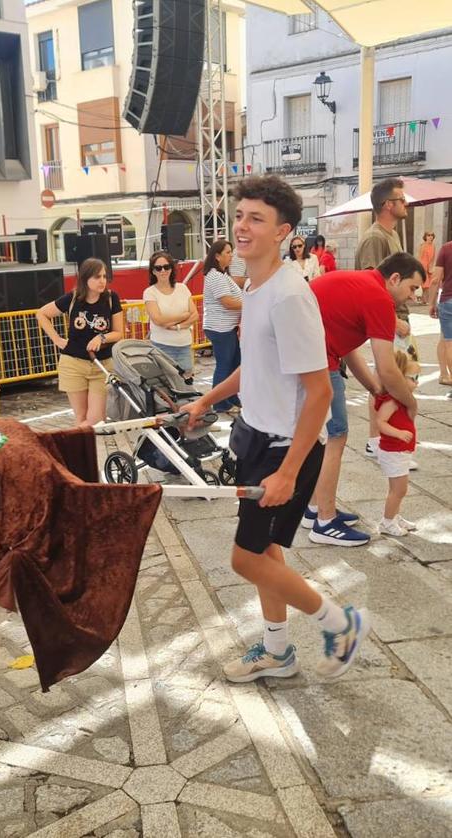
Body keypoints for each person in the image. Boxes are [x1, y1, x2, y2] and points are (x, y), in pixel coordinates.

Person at [184, 175, 369, 683]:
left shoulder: (289, 295)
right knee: (265, 552)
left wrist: (288, 472)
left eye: (256, 219)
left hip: (284, 450)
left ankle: (341, 624)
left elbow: (320, 391)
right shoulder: (254, 287)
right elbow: (257, 366)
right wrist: (206, 399)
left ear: (283, 231)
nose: (242, 227)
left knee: (245, 560)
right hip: (256, 437)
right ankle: (278, 651)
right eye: (240, 216)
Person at [305, 253, 423, 546]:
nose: (413, 296)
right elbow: (388, 367)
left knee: (321, 437)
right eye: (412, 287)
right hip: (316, 361)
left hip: (311, 355)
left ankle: (315, 507)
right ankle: (325, 522)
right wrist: (410, 402)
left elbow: (347, 347)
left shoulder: (362, 284)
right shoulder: (379, 298)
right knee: (336, 436)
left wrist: (374, 388)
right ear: (394, 278)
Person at [355, 177, 416, 458]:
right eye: (401, 199)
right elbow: (370, 285)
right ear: (387, 205)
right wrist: (392, 319)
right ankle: (375, 440)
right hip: (388, 319)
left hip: (397, 317)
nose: (405, 203)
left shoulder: (391, 234)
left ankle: (383, 439)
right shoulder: (375, 238)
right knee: (385, 381)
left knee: (398, 377)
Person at [37, 258, 123, 426]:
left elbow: (119, 333)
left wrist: (101, 337)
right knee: (81, 417)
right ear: (85, 278)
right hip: (73, 363)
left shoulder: (111, 298)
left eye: (104, 276)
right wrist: (57, 339)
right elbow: (42, 314)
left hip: (101, 364)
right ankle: (79, 441)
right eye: (97, 277)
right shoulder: (73, 298)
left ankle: (70, 438)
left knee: (96, 420)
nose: (102, 281)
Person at [375, 350, 419, 536]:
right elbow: (380, 422)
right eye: (413, 378)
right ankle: (387, 522)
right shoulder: (392, 401)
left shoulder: (400, 400)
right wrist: (398, 433)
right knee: (399, 490)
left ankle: (394, 516)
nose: (416, 383)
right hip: (393, 451)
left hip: (399, 451)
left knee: (398, 489)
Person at [142, 250, 198, 382]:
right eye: (158, 268)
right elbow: (158, 320)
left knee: (186, 384)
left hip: (184, 345)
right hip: (162, 346)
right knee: (166, 384)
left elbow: (195, 315)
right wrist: (183, 316)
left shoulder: (182, 288)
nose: (163, 271)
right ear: (153, 271)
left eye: (166, 267)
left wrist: (177, 326)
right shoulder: (150, 292)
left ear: (171, 269)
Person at [202, 240, 242, 414]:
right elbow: (227, 302)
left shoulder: (222, 275)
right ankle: (219, 403)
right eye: (227, 252)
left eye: (231, 252)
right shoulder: (215, 276)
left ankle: (231, 397)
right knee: (224, 365)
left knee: (234, 364)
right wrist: (250, 304)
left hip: (228, 327)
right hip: (220, 328)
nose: (231, 255)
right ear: (217, 256)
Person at [429, 237, 452, 386]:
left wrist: (431, 303)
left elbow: (435, 279)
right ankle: (444, 374)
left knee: (448, 341)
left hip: (448, 301)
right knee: (445, 339)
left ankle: (445, 375)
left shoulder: (446, 248)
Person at [418, 231, 436, 305]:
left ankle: (424, 300)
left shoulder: (433, 246)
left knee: (430, 284)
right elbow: (420, 257)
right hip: (423, 266)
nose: (430, 237)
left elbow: (433, 257)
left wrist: (431, 267)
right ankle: (425, 300)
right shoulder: (423, 245)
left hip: (430, 266)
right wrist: (422, 267)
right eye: (428, 235)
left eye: (432, 235)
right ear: (425, 237)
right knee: (425, 284)